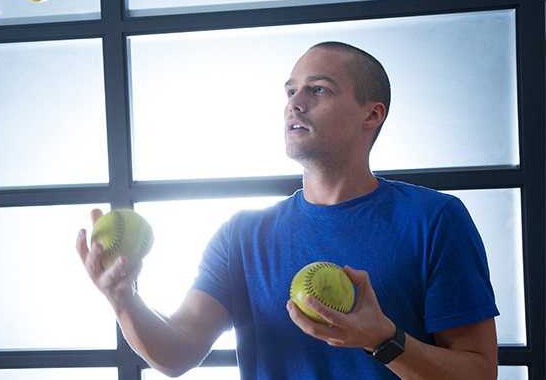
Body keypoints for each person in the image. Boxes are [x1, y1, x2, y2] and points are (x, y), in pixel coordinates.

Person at [76, 41, 499, 379]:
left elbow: (479, 372)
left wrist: (384, 338)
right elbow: (176, 353)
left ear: (372, 114)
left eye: (318, 89)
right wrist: (123, 299)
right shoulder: (241, 235)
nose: (295, 103)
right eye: (291, 91)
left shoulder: (434, 219)